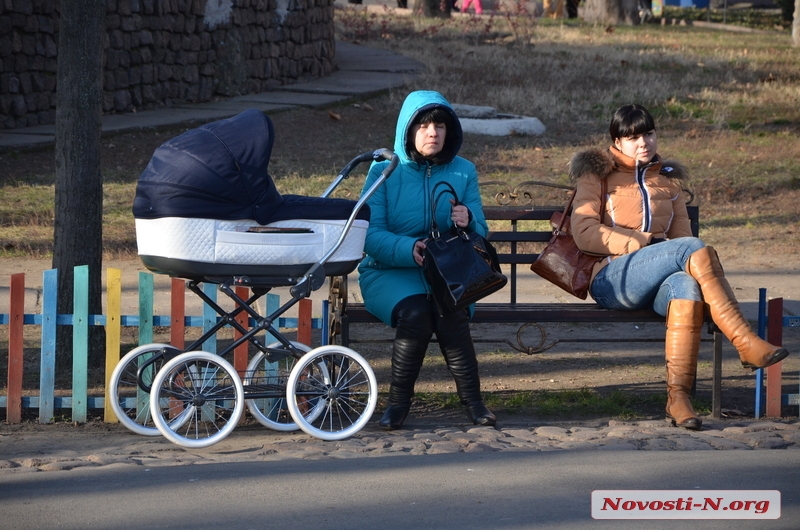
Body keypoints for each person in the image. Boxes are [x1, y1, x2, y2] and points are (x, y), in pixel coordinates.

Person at [569, 104, 790, 431]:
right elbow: (584, 231)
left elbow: (683, 242)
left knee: (686, 287)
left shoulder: (667, 182)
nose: (643, 142)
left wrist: (669, 252)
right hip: (613, 279)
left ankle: (678, 399)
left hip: (657, 284)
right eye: (632, 137)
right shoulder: (596, 175)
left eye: (648, 134)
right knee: (692, 247)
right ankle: (744, 341)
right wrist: (641, 243)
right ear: (616, 142)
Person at [358, 90, 496, 430]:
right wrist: (409, 249)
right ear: (407, 129)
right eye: (422, 125)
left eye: (439, 125)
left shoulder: (463, 171)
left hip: (450, 273)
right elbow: (368, 234)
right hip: (389, 273)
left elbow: (482, 229)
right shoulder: (382, 172)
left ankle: (475, 404)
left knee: (450, 313)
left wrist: (468, 220)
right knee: (417, 313)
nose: (432, 132)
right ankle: (398, 405)